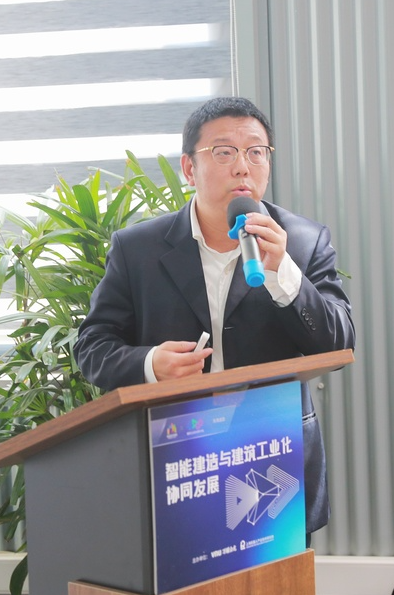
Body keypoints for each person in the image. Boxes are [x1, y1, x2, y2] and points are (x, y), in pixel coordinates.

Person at [75, 96, 356, 535]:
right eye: (224, 152)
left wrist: (284, 273)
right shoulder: (137, 249)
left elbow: (337, 346)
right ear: (189, 168)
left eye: (256, 152)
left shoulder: (303, 241)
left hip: (271, 454)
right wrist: (150, 364)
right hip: (177, 452)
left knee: (274, 578)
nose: (243, 167)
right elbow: (92, 346)